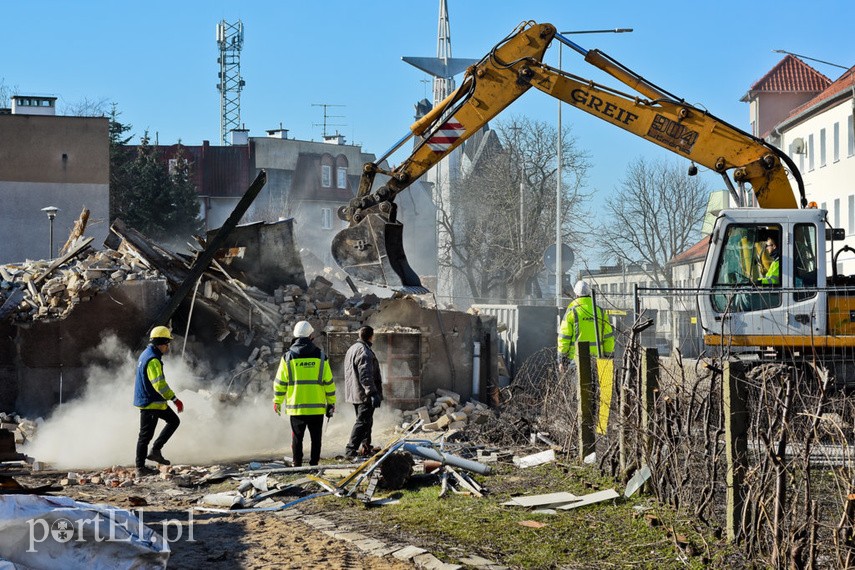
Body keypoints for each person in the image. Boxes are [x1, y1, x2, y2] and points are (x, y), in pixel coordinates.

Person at [272, 321, 335, 467]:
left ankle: (297, 463)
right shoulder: (321, 357)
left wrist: (277, 401)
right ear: (311, 336)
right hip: (317, 407)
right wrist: (331, 403)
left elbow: (280, 383)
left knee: (297, 438)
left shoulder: (287, 357)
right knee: (316, 438)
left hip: (296, 407)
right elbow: (329, 383)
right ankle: (314, 464)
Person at [134, 326, 184, 478]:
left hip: (152, 402)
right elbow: (159, 384)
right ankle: (140, 468)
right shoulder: (153, 360)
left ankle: (155, 451)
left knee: (172, 421)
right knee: (145, 436)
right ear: (160, 343)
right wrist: (175, 399)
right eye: (166, 343)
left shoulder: (146, 354)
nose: (168, 347)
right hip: (150, 403)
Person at [344, 326, 384, 460]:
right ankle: (351, 451)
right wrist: (372, 393)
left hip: (355, 393)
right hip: (363, 394)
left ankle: (366, 447)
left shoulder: (352, 349)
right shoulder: (363, 351)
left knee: (366, 421)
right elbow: (365, 374)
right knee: (362, 422)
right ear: (370, 336)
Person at [557, 280, 615, 369]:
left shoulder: (572, 312)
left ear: (576, 294)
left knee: (577, 383)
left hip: (576, 360)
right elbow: (608, 336)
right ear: (589, 294)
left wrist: (562, 359)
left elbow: (564, 337)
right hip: (598, 359)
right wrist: (608, 356)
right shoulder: (600, 311)